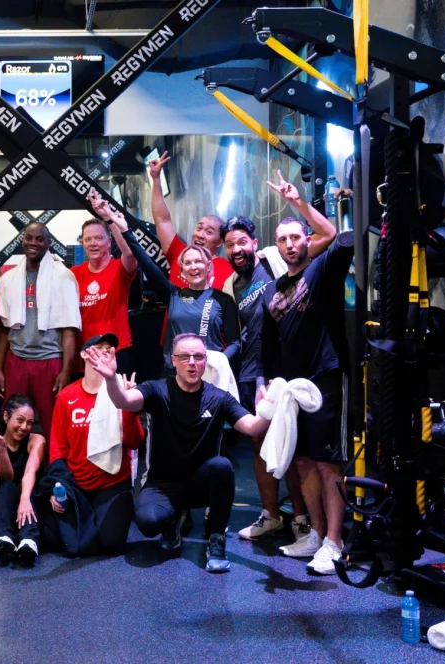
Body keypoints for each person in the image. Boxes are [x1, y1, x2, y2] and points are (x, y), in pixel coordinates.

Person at [85, 334, 272, 574]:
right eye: (185, 356)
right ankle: (173, 520)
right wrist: (111, 378)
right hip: (163, 484)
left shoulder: (219, 397)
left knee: (222, 466)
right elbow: (124, 401)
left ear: (206, 361)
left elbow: (253, 427)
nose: (192, 362)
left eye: (198, 357)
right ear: (174, 360)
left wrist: (269, 408)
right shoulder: (156, 389)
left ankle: (216, 541)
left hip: (200, 484)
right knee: (149, 522)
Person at [226, 172, 336, 542]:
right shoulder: (235, 284)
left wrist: (296, 201)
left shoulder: (277, 259)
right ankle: (281, 518)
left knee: (308, 451)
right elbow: (255, 338)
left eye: (242, 242)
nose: (236, 249)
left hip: (308, 372)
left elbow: (327, 237)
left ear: (256, 244)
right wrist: (259, 380)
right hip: (267, 375)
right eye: (229, 244)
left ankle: (312, 525)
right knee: (273, 446)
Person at [261, 218, 355, 575]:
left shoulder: (322, 270)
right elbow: (269, 343)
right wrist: (266, 381)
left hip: (326, 377)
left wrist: (299, 204)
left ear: (307, 240)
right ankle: (316, 534)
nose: (289, 244)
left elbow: (339, 237)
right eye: (282, 239)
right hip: (291, 387)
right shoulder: (272, 290)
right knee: (302, 462)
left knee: (327, 462)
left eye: (295, 237)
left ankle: (334, 541)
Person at [98, 200, 240, 368]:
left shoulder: (223, 300)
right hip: (175, 374)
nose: (193, 267)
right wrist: (125, 230)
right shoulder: (173, 295)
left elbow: (235, 343)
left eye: (198, 262)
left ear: (209, 266)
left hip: (211, 374)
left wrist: (217, 363)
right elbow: (147, 263)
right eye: (188, 263)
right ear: (182, 269)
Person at [41, 334, 144, 556]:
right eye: (99, 347)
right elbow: (57, 448)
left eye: (109, 348)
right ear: (84, 354)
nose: (105, 351)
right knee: (50, 537)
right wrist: (57, 488)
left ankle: (99, 520)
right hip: (76, 482)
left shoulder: (122, 391)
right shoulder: (67, 396)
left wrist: (128, 406)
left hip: (112, 481)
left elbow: (134, 441)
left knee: (111, 544)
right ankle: (88, 522)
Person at [0, 222, 81, 434]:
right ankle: (14, 467)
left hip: (49, 360)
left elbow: (69, 329)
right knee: (11, 421)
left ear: (48, 243)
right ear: (22, 241)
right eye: (29, 238)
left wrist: (66, 371)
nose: (33, 243)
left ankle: (53, 467)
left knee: (54, 425)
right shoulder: (8, 279)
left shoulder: (63, 276)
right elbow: (5, 329)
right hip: (16, 360)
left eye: (39, 239)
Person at [71, 190, 139, 375]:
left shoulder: (120, 268)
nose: (93, 243)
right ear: (82, 243)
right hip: (86, 353)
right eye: (88, 239)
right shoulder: (73, 274)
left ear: (109, 242)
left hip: (116, 351)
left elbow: (131, 253)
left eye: (99, 238)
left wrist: (109, 218)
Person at [146, 152, 232, 289]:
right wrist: (156, 179)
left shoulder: (229, 270)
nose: (200, 234)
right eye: (199, 228)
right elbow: (162, 220)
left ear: (220, 241)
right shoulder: (179, 253)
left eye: (209, 232)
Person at [0, 395, 46, 567]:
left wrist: (25, 498)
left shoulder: (36, 440)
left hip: (31, 505)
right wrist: (3, 451)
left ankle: (29, 541)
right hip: (4, 508)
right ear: (6, 417)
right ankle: (3, 539)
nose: (24, 427)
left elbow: (30, 471)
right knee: (9, 486)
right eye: (20, 420)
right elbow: (8, 477)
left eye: (29, 422)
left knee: (26, 488)